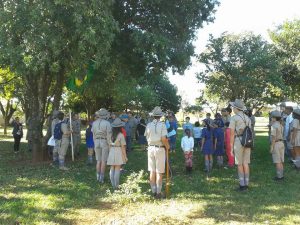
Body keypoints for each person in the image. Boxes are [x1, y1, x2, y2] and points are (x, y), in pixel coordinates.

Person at [145, 106, 169, 199]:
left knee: (152, 171)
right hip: (159, 148)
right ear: (160, 116)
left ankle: (153, 191)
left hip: (150, 148)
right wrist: (167, 146)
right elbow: (163, 139)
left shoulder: (148, 125)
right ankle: (158, 193)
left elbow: (147, 137)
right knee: (159, 172)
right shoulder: (162, 125)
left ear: (153, 116)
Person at [229, 99, 251, 191]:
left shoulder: (234, 118)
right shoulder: (248, 118)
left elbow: (231, 133)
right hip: (247, 141)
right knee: (246, 163)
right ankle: (247, 183)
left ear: (236, 108)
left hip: (238, 140)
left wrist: (231, 148)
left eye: (233, 107)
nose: (232, 108)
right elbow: (250, 131)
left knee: (239, 164)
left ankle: (242, 185)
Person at [107, 118, 128, 189]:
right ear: (120, 127)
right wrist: (125, 157)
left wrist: (110, 153)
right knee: (117, 169)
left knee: (112, 168)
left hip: (111, 151)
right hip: (118, 151)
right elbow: (123, 147)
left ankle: (113, 185)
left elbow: (109, 145)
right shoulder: (121, 135)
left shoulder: (110, 134)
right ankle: (116, 185)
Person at [92, 108, 112, 183]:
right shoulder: (107, 123)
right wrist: (110, 146)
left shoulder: (94, 123)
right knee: (103, 161)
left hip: (96, 141)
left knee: (98, 160)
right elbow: (109, 136)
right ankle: (101, 178)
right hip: (104, 141)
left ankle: (98, 177)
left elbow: (93, 134)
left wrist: (95, 143)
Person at [270, 111, 285, 181]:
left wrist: (272, 147)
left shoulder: (274, 125)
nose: (271, 119)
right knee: (281, 161)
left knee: (277, 161)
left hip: (276, 144)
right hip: (281, 143)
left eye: (272, 117)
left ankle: (279, 177)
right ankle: (281, 175)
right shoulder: (281, 124)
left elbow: (273, 137)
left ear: (274, 118)